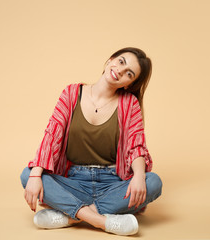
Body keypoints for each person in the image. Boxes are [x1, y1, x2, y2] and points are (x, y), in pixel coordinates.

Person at [20, 47, 162, 236]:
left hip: (112, 183)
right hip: (74, 182)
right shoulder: (72, 93)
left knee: (152, 182)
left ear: (129, 84)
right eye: (121, 61)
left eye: (129, 73)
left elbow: (136, 146)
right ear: (110, 59)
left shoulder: (129, 103)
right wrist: (36, 175)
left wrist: (137, 176)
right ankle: (102, 221)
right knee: (27, 174)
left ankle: (71, 216)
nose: (120, 70)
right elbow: (52, 135)